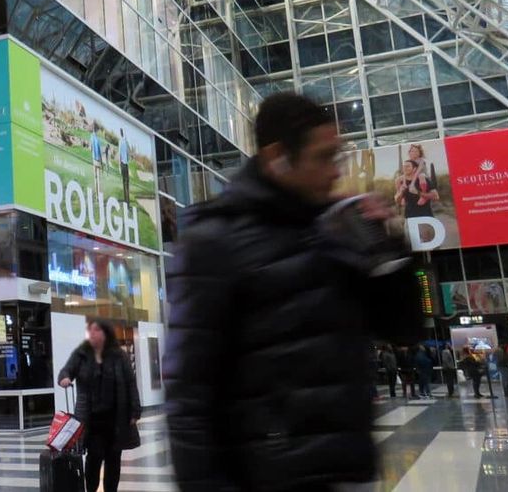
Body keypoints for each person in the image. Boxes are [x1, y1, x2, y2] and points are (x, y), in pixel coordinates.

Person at [164, 93, 421, 491]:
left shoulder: (336, 229)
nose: (336, 173)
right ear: (277, 156)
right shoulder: (215, 241)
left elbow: (403, 329)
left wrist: (391, 255)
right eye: (323, 158)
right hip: (270, 477)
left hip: (348, 472)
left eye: (337, 156)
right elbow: (189, 397)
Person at [58, 320, 142, 492]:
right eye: (91, 330)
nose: (93, 333)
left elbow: (130, 383)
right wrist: (65, 378)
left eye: (97, 330)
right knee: (94, 458)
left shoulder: (119, 355)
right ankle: (91, 489)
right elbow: (66, 370)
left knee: (113, 458)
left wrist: (135, 410)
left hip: (116, 420)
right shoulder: (81, 354)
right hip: (91, 420)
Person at [118, 130, 131, 202]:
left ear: (120, 134)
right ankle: (127, 200)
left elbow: (119, 154)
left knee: (124, 182)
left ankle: (126, 200)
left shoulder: (120, 142)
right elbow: (129, 154)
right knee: (127, 183)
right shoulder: (126, 142)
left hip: (123, 164)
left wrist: (119, 166)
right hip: (126, 165)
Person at [90, 128, 103, 199]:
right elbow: (100, 152)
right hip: (98, 160)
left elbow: (90, 148)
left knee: (95, 177)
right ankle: (99, 195)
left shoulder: (91, 137)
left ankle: (96, 195)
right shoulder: (98, 139)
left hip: (94, 159)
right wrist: (101, 161)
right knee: (98, 178)